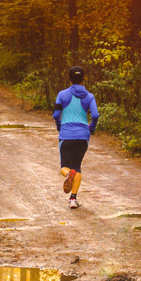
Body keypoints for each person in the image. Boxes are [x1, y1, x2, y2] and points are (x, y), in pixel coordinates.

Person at [53, 66, 99, 209]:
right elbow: (96, 115)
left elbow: (55, 114)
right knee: (77, 167)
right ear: (83, 78)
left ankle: (68, 174)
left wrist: (59, 125)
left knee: (64, 167)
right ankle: (73, 199)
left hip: (66, 134)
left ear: (69, 78)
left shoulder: (62, 94)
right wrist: (92, 128)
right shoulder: (89, 96)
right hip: (83, 135)